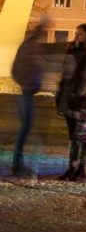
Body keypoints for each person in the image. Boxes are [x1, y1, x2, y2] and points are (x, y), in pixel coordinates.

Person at [56, 23, 86, 181]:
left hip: (82, 99)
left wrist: (78, 95)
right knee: (73, 135)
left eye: (80, 34)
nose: (77, 36)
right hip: (69, 97)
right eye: (76, 33)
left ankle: (81, 166)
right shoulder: (75, 49)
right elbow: (66, 71)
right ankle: (72, 166)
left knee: (80, 134)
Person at [10, 14, 51, 176]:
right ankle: (17, 164)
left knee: (26, 127)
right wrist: (27, 82)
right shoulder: (31, 46)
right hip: (26, 91)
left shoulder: (29, 45)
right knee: (26, 127)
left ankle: (18, 163)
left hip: (28, 90)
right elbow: (23, 68)